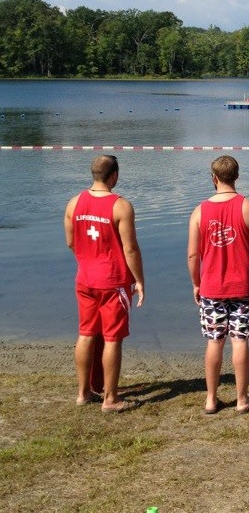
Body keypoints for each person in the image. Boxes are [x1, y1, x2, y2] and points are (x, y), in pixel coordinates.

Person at [187, 155, 249, 415]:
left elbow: (193, 255)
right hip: (243, 287)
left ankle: (211, 399)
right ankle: (241, 399)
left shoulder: (199, 211)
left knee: (215, 342)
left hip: (211, 288)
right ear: (236, 176)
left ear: (214, 178)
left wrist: (195, 283)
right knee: (239, 341)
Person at [64, 154, 145, 413]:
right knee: (112, 338)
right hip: (113, 282)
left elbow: (70, 242)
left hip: (85, 278)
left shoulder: (74, 203)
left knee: (86, 333)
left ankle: (83, 393)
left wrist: (89, 259)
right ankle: (110, 399)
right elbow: (130, 249)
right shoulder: (120, 206)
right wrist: (140, 280)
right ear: (115, 176)